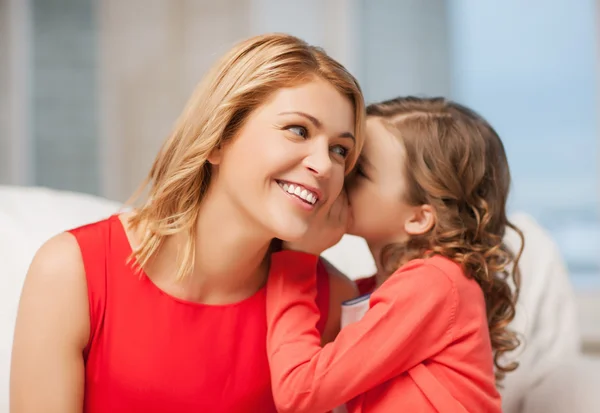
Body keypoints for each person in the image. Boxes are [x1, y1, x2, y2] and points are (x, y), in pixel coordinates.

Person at [9, 33, 364, 413]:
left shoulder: (331, 302)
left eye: (340, 150)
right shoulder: (71, 272)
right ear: (217, 139)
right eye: (298, 130)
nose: (325, 166)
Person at [265, 96, 524, 412]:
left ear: (418, 217)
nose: (335, 174)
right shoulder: (369, 292)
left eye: (359, 171)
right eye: (343, 155)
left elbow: (300, 392)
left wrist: (297, 259)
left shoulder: (435, 283)